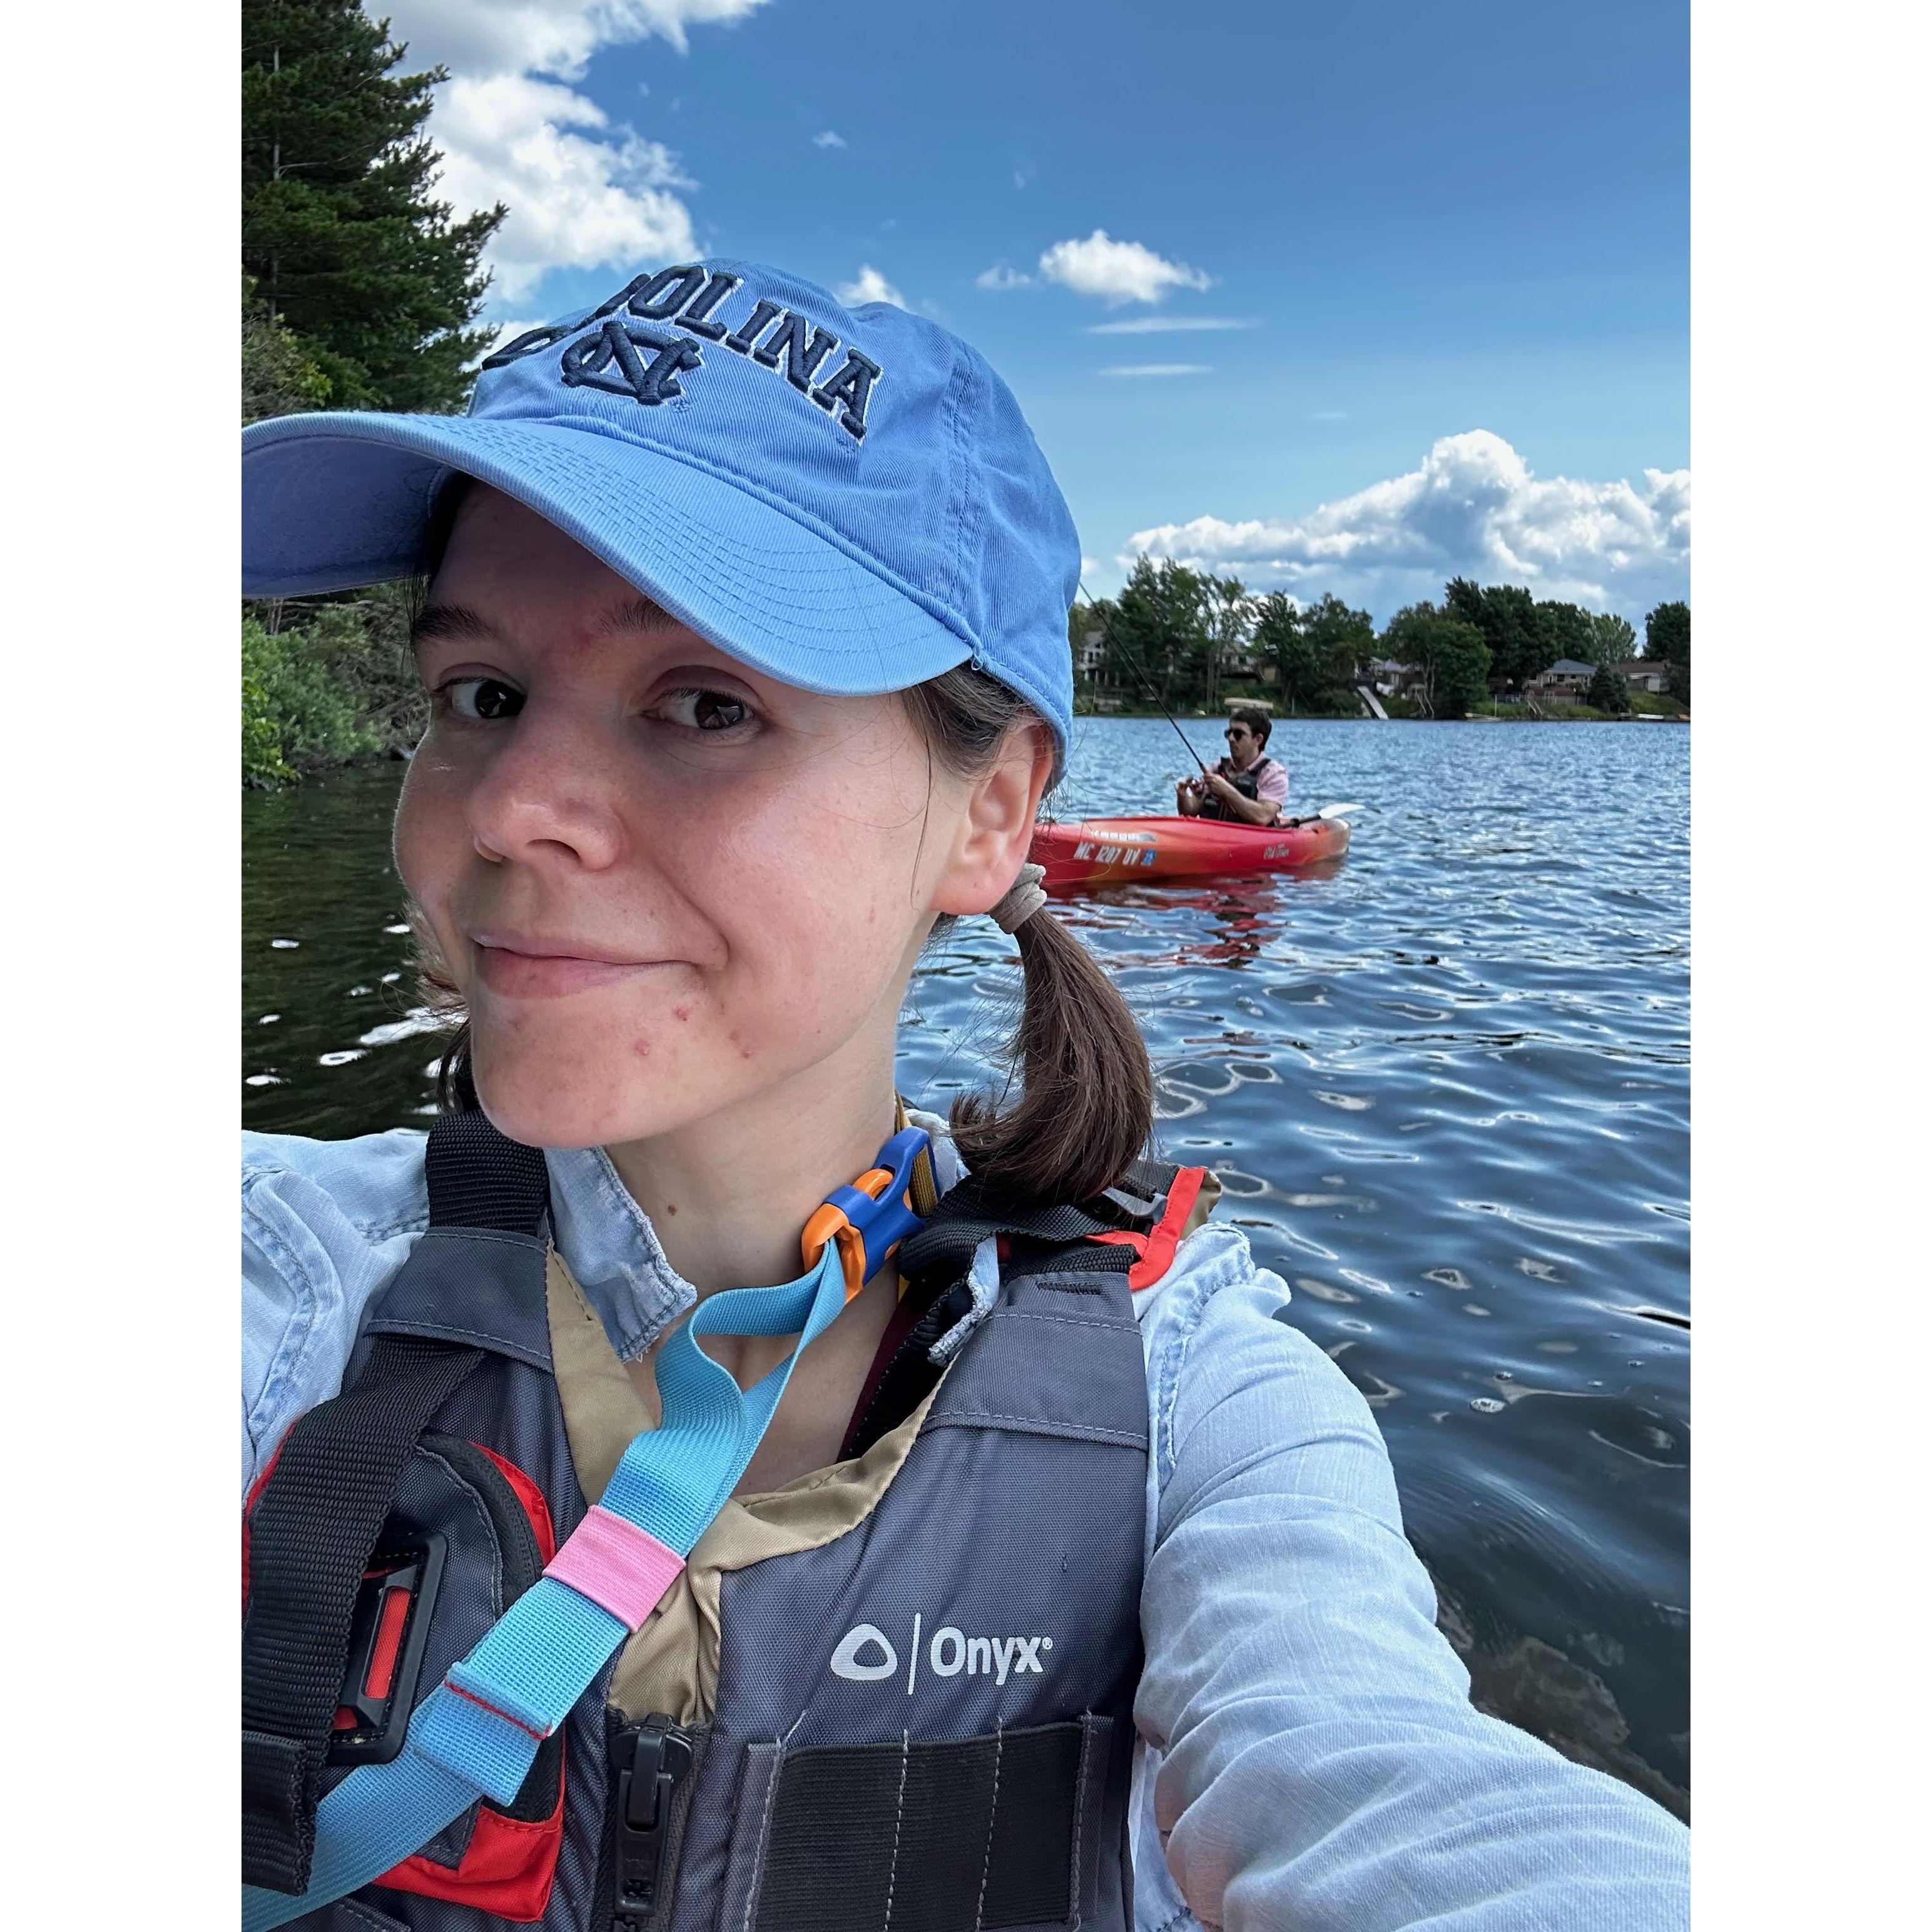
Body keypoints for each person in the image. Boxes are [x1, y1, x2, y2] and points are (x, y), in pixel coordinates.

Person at [241, 258, 1689, 1931]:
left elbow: (1381, 1782)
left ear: (993, 816)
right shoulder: (279, 1276)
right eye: (480, 696)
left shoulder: (1200, 1415)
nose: (509, 814)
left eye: (706, 704)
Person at [1176, 706, 1288, 824]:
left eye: (1238, 734)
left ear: (1258, 739)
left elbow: (1263, 817)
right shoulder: (1217, 768)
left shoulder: (1274, 774)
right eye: (1229, 733)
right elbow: (1190, 812)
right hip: (1211, 837)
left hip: (1254, 840)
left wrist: (1226, 790)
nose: (1231, 738)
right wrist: (1183, 796)